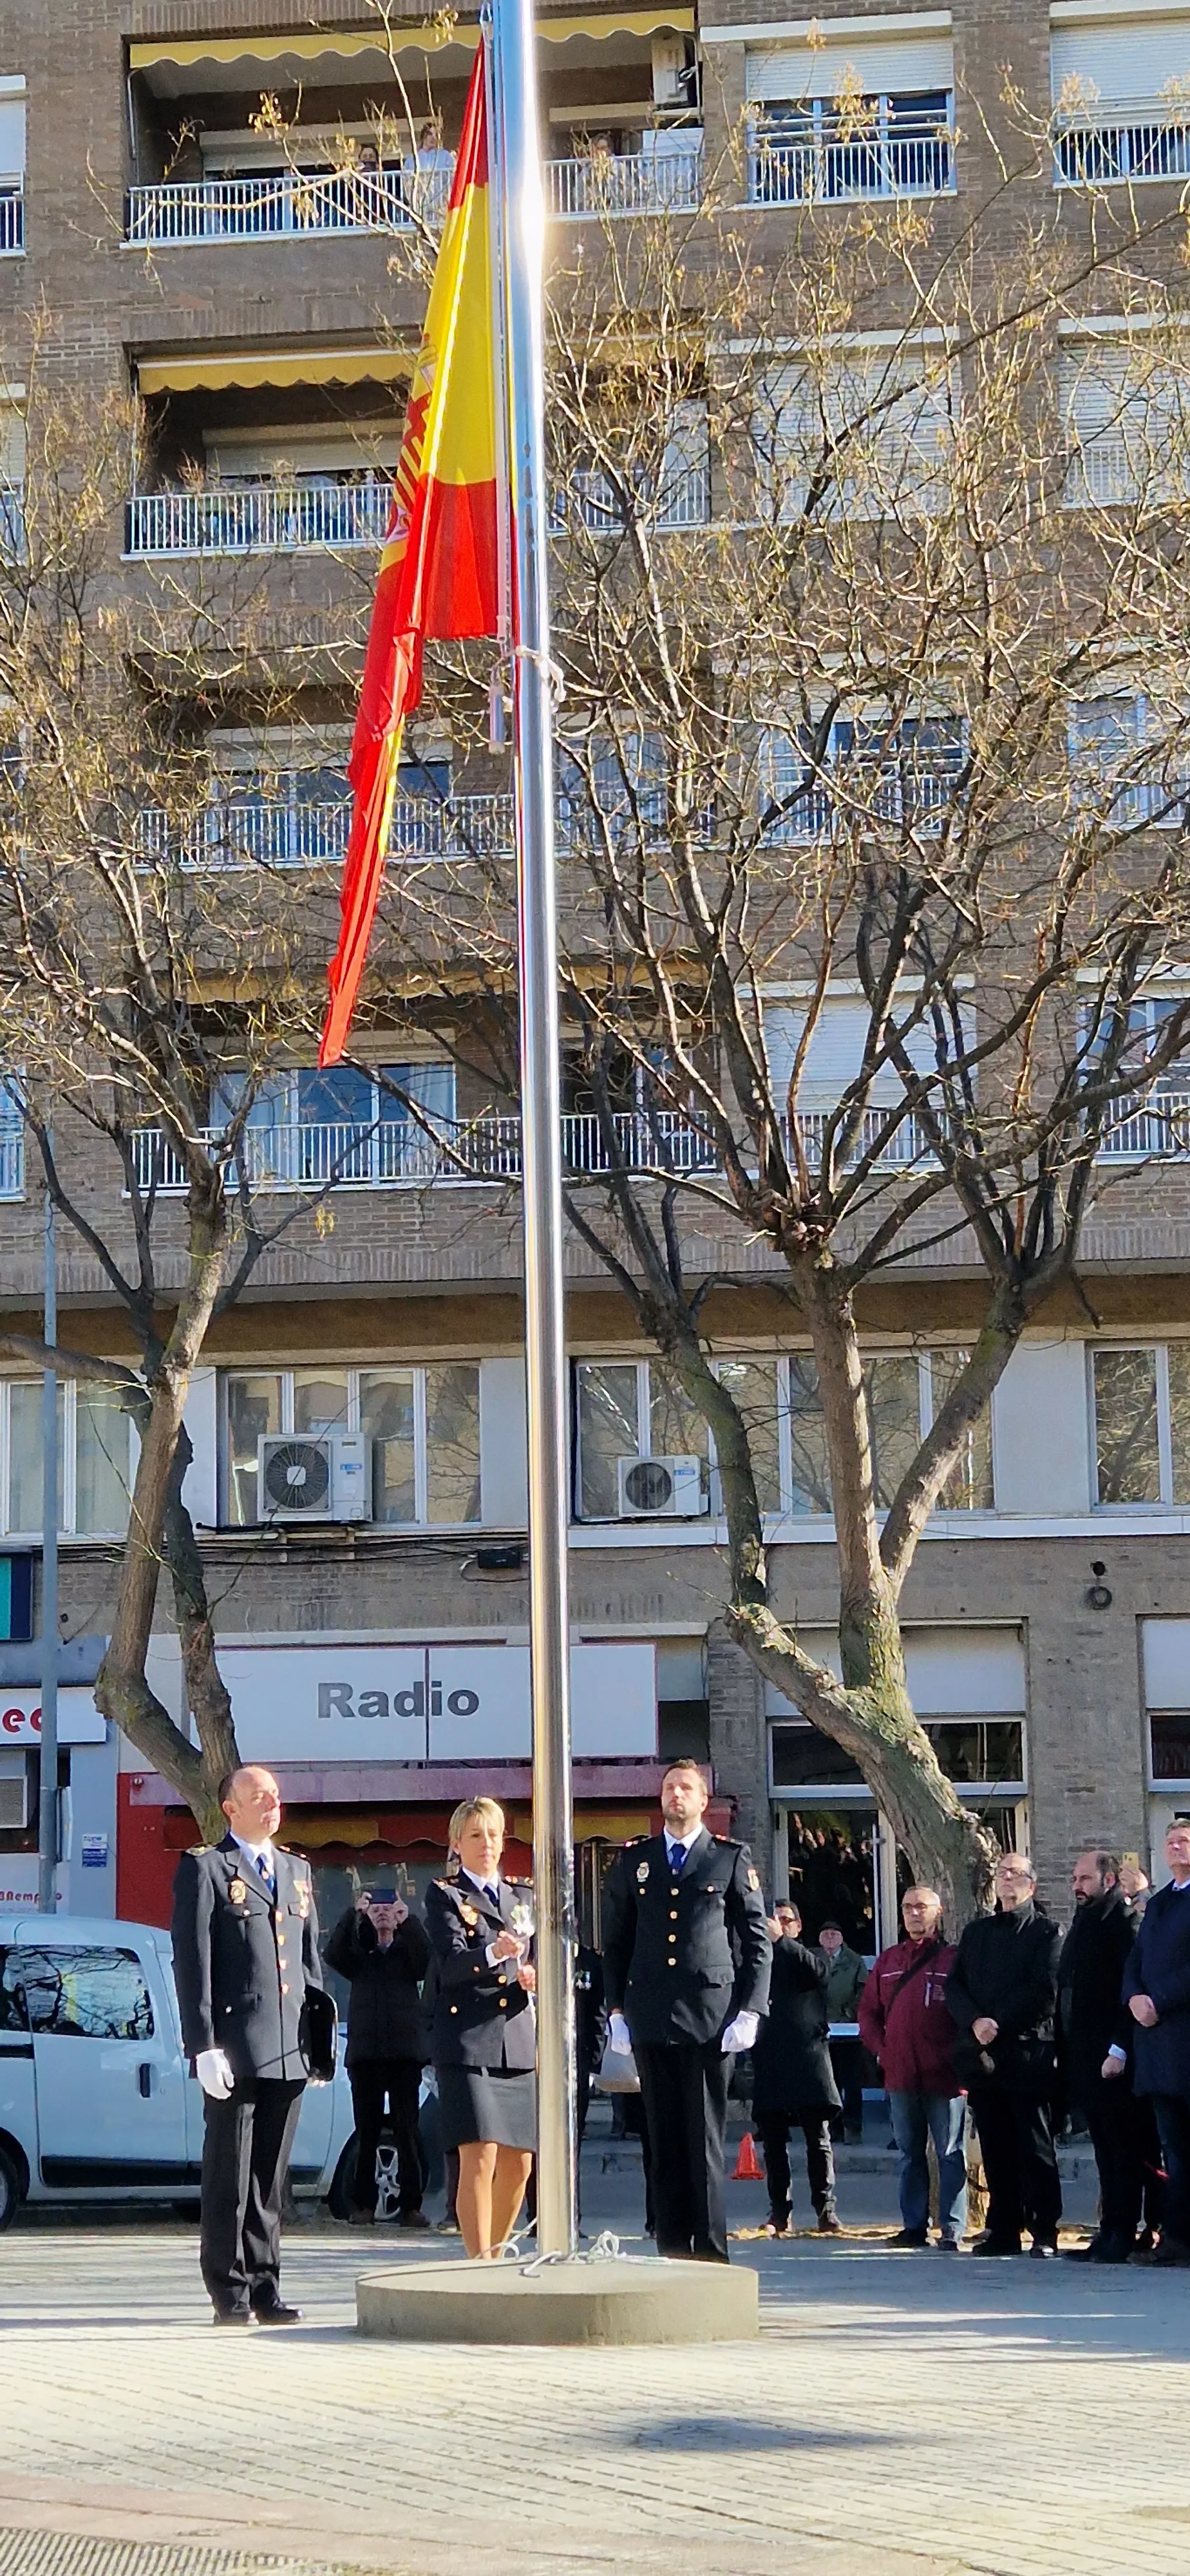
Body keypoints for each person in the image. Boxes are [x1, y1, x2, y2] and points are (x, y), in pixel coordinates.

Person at [171, 1763, 323, 2325]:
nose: (272, 1804)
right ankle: (228, 2292)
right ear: (230, 1807)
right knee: (229, 2178)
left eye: (277, 1796)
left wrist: (318, 2041)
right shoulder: (208, 1868)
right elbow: (195, 1964)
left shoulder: (297, 1871)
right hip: (235, 2046)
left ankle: (266, 2285)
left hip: (287, 2047)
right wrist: (202, 2045)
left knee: (269, 2180)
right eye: (258, 1796)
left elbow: (309, 1968)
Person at [602, 1757, 770, 2262]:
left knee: (703, 2138)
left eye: (686, 1788)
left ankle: (711, 2248)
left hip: (710, 2016)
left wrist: (751, 2010)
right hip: (651, 2014)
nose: (676, 1794)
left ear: (703, 1801)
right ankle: (671, 2244)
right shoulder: (637, 1860)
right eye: (669, 1786)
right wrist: (615, 2011)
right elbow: (617, 1941)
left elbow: (756, 1940)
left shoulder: (728, 1858)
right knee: (662, 2137)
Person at [424, 1794, 536, 2259]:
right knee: (480, 2152)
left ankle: (496, 2248)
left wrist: (533, 1976)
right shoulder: (446, 1894)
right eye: (475, 1836)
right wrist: (495, 1954)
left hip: (516, 2037)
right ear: (457, 1843)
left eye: (492, 1834)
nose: (486, 1844)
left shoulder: (522, 1895)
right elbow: (450, 1965)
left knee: (520, 2162)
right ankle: (478, 2262)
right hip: (468, 2039)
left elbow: (541, 1955)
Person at [945, 1852, 1063, 2257]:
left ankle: (1044, 2229)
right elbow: (955, 1985)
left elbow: (1043, 1991)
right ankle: (1003, 2229)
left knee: (1034, 2145)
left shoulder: (1047, 1932)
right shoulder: (978, 1933)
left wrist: (998, 2022)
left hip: (1027, 2053)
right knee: (995, 2147)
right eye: (1001, 1874)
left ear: (1031, 1884)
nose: (1006, 1880)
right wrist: (976, 2021)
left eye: (1015, 1874)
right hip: (984, 2056)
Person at [858, 1886, 966, 2251]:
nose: (914, 1914)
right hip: (900, 2073)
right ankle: (913, 2226)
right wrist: (881, 2051)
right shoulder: (888, 1962)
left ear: (938, 1912)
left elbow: (966, 2012)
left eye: (921, 1907)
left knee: (950, 2153)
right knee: (909, 2155)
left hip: (946, 2076)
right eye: (907, 1907)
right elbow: (868, 2013)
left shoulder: (953, 1959)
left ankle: (952, 2228)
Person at [1055, 1850, 1146, 2264]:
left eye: (1085, 1879)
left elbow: (1128, 1991)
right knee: (1104, 2150)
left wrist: (1119, 2047)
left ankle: (1125, 2233)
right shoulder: (1083, 1923)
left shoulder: (1122, 1923)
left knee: (1123, 2149)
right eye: (1075, 1879)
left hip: (1113, 2056)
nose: (1077, 1886)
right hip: (1082, 2055)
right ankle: (1108, 2230)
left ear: (1108, 1881)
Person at [325, 1884, 431, 2230]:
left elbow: (429, 1961)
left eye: (389, 1908)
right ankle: (363, 2205)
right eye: (377, 1909)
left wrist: (408, 1919)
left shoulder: (407, 1951)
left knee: (407, 2132)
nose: (383, 1914)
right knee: (367, 2133)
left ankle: (411, 2207)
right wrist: (354, 1915)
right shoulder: (359, 1953)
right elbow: (333, 1954)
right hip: (366, 2057)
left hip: (404, 2056)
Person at [1119, 1817, 1190, 2268]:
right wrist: (1133, 1999)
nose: (1177, 1848)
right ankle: (1177, 2238)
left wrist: (1159, 2000)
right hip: (1159, 2051)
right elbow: (1136, 1960)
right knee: (1175, 2151)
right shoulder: (1161, 1903)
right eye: (1170, 1842)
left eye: (1184, 1841)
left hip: (1183, 2036)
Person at [751, 1898, 842, 2236]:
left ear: (798, 1926)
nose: (779, 1924)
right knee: (773, 2143)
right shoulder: (759, 1959)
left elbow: (819, 1974)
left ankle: (826, 2209)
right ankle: (779, 2212)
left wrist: (783, 1941)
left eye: (786, 1920)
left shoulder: (812, 1956)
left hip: (808, 2059)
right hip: (771, 2059)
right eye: (773, 1920)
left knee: (817, 2139)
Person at [817, 1919, 867, 2142]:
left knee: (852, 2082)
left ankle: (853, 2126)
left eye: (834, 1934)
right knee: (830, 2081)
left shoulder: (854, 1961)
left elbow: (863, 1990)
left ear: (842, 1938)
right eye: (826, 1934)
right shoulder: (813, 1958)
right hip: (822, 2030)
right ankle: (835, 2129)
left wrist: (849, 2013)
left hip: (849, 2031)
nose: (830, 1938)